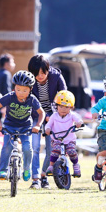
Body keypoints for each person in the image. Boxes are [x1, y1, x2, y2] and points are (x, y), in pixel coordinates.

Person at [0, 70, 43, 182]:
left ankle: (26, 169)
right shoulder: (10, 97)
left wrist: (38, 125)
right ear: (14, 87)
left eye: (25, 90)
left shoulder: (32, 99)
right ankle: (3, 170)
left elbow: (41, 113)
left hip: (26, 127)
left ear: (30, 89)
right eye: (18, 89)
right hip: (9, 126)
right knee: (7, 147)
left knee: (27, 148)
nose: (21, 93)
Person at [28, 54, 67, 189]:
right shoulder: (28, 81)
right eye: (36, 73)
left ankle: (44, 176)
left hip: (53, 116)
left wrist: (56, 115)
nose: (40, 76)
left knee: (51, 150)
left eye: (43, 72)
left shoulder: (56, 77)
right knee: (35, 148)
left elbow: (64, 97)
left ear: (47, 69)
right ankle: (35, 179)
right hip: (34, 116)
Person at [45, 90, 83, 178]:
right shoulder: (54, 116)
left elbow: (78, 119)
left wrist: (79, 123)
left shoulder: (72, 115)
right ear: (56, 106)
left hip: (69, 140)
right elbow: (48, 124)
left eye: (66, 107)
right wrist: (47, 129)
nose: (63, 109)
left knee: (71, 151)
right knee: (55, 151)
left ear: (71, 107)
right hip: (57, 139)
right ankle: (51, 166)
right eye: (61, 106)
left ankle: (76, 165)